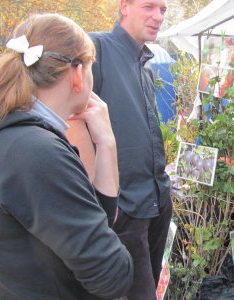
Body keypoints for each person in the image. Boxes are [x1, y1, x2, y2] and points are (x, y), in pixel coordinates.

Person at [0, 13, 133, 299]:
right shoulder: (34, 151)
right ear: (78, 74)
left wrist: (106, 142)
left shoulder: (15, 136)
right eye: (92, 68)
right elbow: (113, 275)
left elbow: (96, 216)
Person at [89, 0, 173, 298]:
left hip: (156, 201)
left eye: (162, 9)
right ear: (125, 6)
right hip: (123, 208)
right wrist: (109, 205)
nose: (158, 16)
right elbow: (69, 122)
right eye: (149, 6)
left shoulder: (145, 65)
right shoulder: (95, 49)